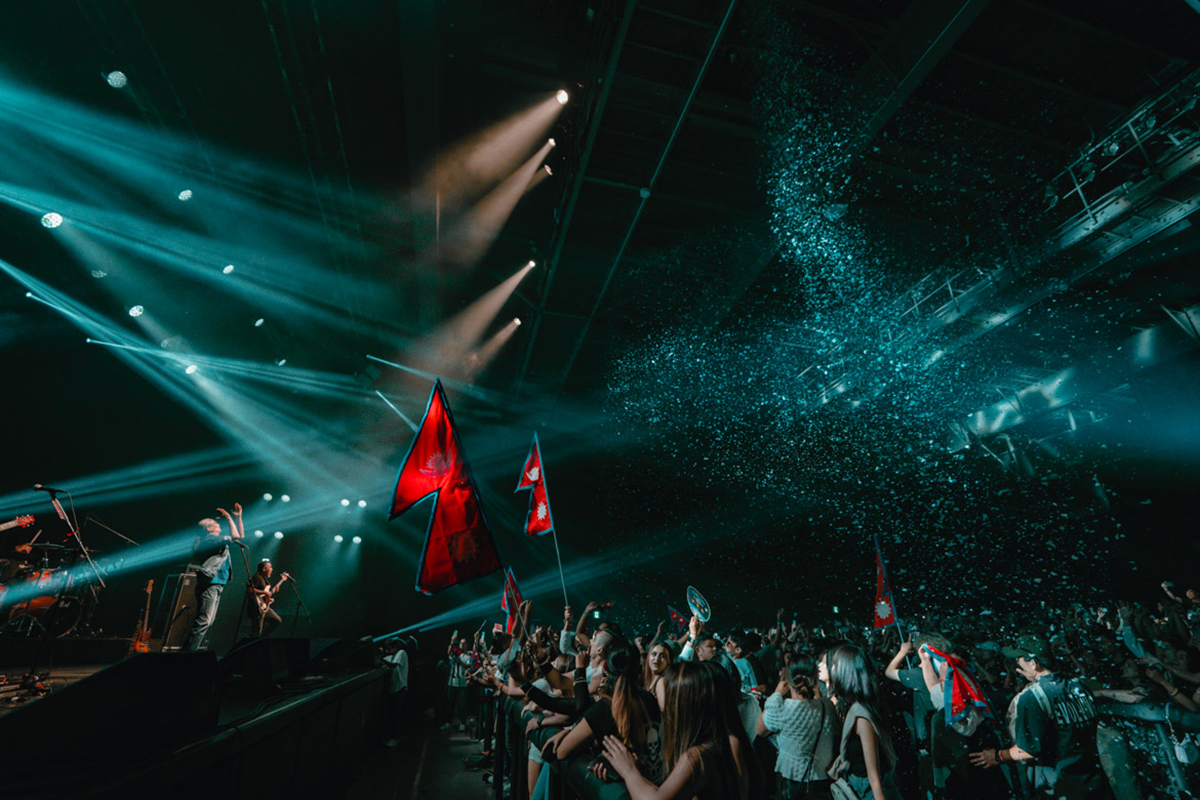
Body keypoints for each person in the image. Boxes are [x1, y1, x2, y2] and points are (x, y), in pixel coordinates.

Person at [969, 634, 1112, 799]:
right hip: (1096, 784)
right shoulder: (1079, 686)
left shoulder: (1032, 696)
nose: (1017, 664)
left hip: (1063, 786)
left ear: (1033, 663)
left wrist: (997, 756)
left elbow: (1027, 750)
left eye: (1019, 659)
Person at [598, 660, 762, 800]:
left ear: (683, 707)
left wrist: (628, 770)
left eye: (668, 702)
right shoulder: (729, 740)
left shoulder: (696, 756)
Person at [826, 643, 902, 800]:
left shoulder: (861, 716)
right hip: (859, 785)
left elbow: (874, 775)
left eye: (835, 665)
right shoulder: (856, 707)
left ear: (846, 672)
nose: (831, 669)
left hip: (866, 790)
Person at [757, 657, 837, 799]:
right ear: (814, 678)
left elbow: (760, 730)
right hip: (823, 778)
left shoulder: (781, 707)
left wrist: (776, 694)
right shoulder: (827, 706)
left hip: (792, 779)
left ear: (788, 680)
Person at [184, 503, 244, 651]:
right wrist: (229, 517)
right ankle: (185, 655)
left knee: (207, 621)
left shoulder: (215, 539)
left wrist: (238, 518)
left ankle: (187, 653)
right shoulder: (210, 539)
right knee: (203, 621)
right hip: (210, 582)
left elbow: (240, 535)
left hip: (216, 583)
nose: (219, 525)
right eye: (217, 524)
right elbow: (236, 535)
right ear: (209, 528)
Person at [245, 558, 288, 639]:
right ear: (264, 569)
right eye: (270, 567)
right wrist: (265, 592)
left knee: (277, 620)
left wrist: (272, 592)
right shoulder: (257, 577)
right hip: (256, 608)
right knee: (256, 633)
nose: (271, 569)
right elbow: (250, 590)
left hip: (264, 607)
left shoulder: (264, 580)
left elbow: (266, 595)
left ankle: (265, 636)